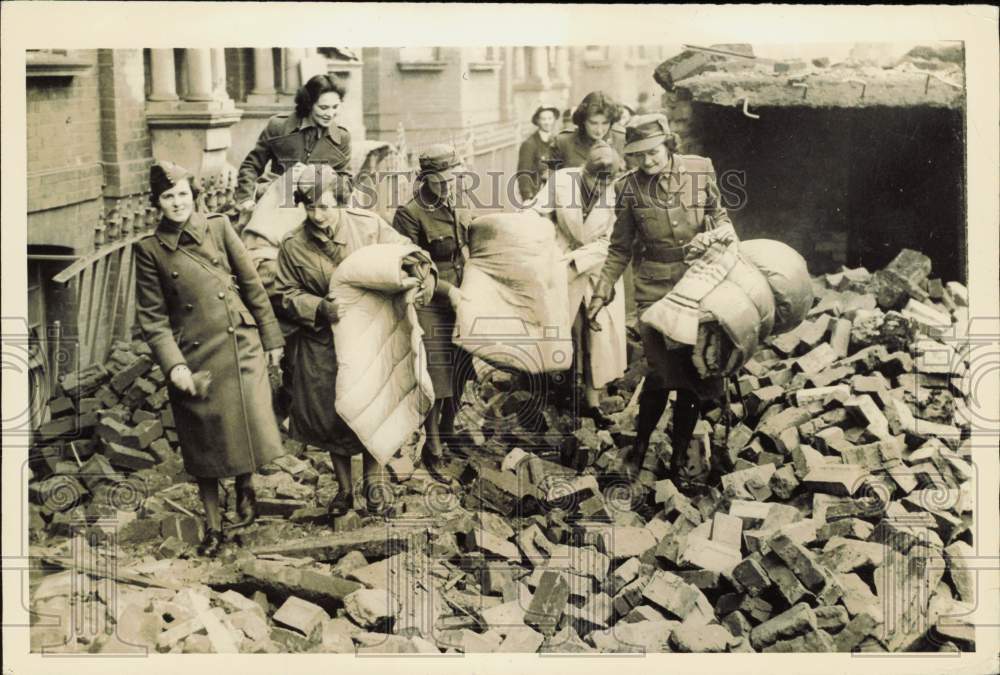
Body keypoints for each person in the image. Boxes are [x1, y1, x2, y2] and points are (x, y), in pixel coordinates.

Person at [134, 161, 286, 557]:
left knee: (244, 423)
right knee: (203, 443)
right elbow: (153, 319)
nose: (177, 202)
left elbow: (251, 284)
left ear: (193, 195)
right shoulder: (149, 250)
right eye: (168, 197)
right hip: (194, 356)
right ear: (157, 203)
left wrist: (271, 338)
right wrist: (175, 365)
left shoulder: (218, 227)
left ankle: (245, 489)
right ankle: (214, 527)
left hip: (239, 343)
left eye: (183, 193)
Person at [587, 113, 736, 491]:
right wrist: (602, 290)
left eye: (652, 152)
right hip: (654, 291)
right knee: (658, 371)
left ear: (669, 144)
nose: (647, 161)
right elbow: (619, 248)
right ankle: (638, 447)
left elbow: (722, 221)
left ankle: (679, 455)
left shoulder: (701, 171)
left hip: (698, 283)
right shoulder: (629, 188)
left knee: (689, 375)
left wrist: (720, 240)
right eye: (638, 156)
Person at [274, 165, 418, 517]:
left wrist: (416, 275)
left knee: (370, 406)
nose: (317, 215)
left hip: (369, 333)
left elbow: (404, 252)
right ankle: (343, 489)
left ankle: (374, 482)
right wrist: (317, 306)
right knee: (331, 413)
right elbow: (281, 293)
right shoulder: (293, 246)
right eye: (309, 208)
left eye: (324, 206)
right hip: (322, 341)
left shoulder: (368, 226)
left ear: (341, 200)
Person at [532, 141, 627, 430]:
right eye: (593, 181)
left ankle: (593, 402)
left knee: (594, 334)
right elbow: (536, 212)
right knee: (559, 328)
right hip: (559, 260)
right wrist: (545, 243)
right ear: (584, 171)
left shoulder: (620, 192)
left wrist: (575, 261)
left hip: (597, 267)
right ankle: (553, 397)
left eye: (605, 184)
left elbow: (614, 241)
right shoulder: (562, 181)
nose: (598, 189)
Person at [392, 145, 472, 482]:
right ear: (425, 179)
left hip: (461, 297)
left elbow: (463, 246)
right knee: (437, 377)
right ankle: (433, 446)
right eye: (441, 180)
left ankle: (450, 431)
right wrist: (447, 291)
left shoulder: (454, 203)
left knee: (461, 370)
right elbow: (412, 264)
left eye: (452, 178)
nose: (448, 185)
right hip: (430, 300)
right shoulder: (410, 214)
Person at [235, 74, 352, 216]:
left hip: (318, 214)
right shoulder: (278, 127)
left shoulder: (342, 138)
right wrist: (247, 199)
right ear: (308, 104)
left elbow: (346, 185)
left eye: (335, 107)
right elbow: (251, 166)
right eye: (323, 107)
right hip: (277, 208)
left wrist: (316, 176)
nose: (330, 114)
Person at [551, 91, 626, 172]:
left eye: (605, 123)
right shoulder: (563, 142)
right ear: (583, 120)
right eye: (593, 123)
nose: (599, 130)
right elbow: (550, 180)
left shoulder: (621, 140)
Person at [516, 105, 560, 203]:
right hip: (537, 194)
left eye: (550, 118)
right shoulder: (529, 144)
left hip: (556, 194)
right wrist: (527, 197)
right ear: (538, 121)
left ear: (554, 120)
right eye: (543, 119)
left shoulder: (557, 141)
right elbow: (523, 173)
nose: (547, 122)